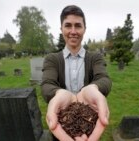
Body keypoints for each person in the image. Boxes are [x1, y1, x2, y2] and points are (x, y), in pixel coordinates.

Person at [41, 5, 112, 141]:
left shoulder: (95, 58)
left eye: (78, 26)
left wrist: (94, 88)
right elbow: (47, 84)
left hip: (88, 125)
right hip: (62, 124)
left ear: (84, 29)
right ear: (61, 29)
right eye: (68, 25)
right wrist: (59, 93)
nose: (73, 31)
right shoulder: (52, 59)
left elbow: (103, 78)